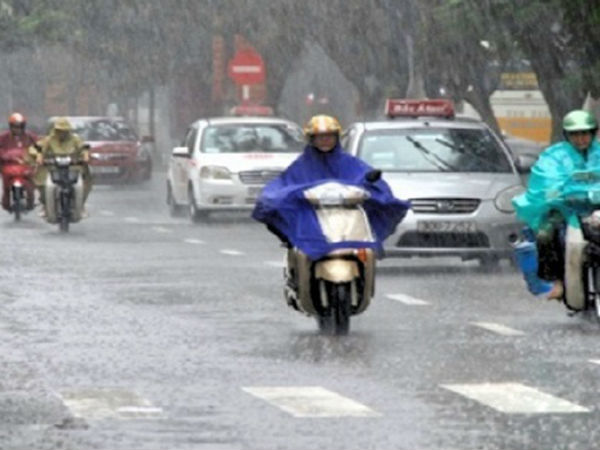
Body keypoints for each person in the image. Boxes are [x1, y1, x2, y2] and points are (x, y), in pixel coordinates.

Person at [252, 114, 410, 259]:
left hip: (348, 220)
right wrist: (276, 196)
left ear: (336, 138)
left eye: (329, 136)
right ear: (312, 139)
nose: (325, 140)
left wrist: (370, 185)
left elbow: (365, 177)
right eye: (320, 137)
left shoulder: (349, 162)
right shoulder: (301, 165)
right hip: (312, 219)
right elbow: (285, 184)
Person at [513, 109, 600, 300]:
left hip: (596, 209)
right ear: (567, 135)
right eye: (575, 134)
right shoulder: (554, 156)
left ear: (593, 133)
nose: (580, 139)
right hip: (566, 210)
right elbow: (546, 181)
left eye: (585, 133)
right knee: (546, 233)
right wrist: (557, 195)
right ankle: (557, 281)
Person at [27, 117, 92, 216]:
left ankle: (80, 205)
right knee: (41, 181)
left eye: (64, 131)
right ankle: (46, 204)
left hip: (72, 167)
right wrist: (39, 156)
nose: (62, 133)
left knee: (85, 181)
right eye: (59, 131)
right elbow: (36, 148)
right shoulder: (49, 139)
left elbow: (83, 148)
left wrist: (85, 156)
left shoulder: (75, 139)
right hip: (52, 167)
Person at [0, 113, 38, 211]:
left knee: (31, 182)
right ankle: (6, 203)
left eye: (20, 127)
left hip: (26, 165)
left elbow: (39, 146)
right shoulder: (3, 137)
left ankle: (30, 201)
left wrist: (37, 155)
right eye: (15, 127)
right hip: (8, 165)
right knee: (6, 186)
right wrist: (4, 155)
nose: (17, 129)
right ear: (11, 127)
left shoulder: (30, 136)